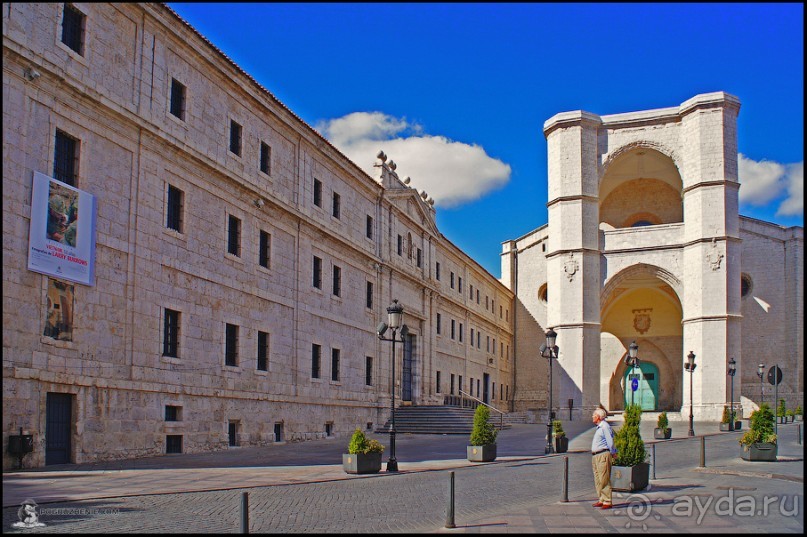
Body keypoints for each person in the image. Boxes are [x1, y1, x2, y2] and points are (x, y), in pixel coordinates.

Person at [591, 406, 616, 509]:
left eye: (594, 415)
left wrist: (613, 452)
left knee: (604, 478)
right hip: (596, 456)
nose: (592, 417)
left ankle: (607, 501)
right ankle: (601, 498)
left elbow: (610, 441)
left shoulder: (605, 426)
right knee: (598, 479)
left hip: (603, 455)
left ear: (599, 417)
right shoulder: (599, 427)